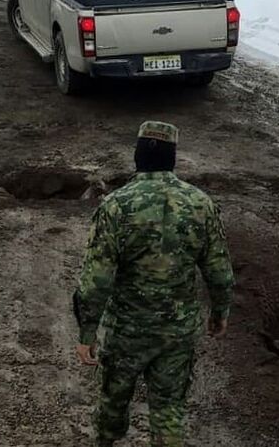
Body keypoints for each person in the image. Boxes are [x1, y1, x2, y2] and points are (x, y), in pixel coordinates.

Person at [73, 121, 235, 447]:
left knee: (112, 403)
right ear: (173, 158)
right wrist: (219, 313)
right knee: (169, 409)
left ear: (137, 156)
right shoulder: (200, 204)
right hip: (177, 333)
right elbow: (219, 272)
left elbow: (96, 281)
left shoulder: (116, 206)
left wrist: (87, 333)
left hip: (125, 332)